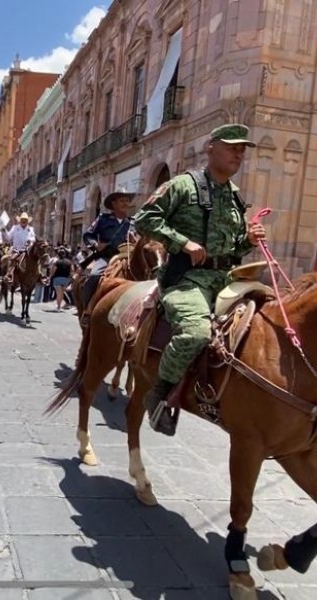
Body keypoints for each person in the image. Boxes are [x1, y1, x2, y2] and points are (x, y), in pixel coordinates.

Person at [133, 123, 266, 436]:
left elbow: (232, 248)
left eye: (242, 149)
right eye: (232, 146)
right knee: (195, 332)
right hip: (186, 280)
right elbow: (144, 219)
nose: (239, 153)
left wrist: (248, 240)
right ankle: (160, 393)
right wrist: (182, 242)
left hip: (226, 279)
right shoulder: (182, 185)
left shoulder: (234, 197)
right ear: (211, 147)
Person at [78, 189, 136, 326]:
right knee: (94, 276)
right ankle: (87, 310)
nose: (126, 203)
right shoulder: (103, 219)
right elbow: (88, 235)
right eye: (122, 200)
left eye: (127, 201)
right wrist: (95, 245)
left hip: (127, 257)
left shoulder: (133, 222)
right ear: (113, 204)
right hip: (107, 257)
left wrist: (136, 240)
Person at [3, 212, 36, 282]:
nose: (24, 221)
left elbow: (33, 238)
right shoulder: (15, 228)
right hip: (17, 250)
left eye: (25, 220)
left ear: (27, 221)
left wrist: (30, 240)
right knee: (11, 259)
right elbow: (9, 238)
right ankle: (9, 274)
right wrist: (4, 231)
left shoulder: (31, 229)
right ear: (20, 220)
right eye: (22, 220)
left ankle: (40, 276)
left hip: (27, 251)